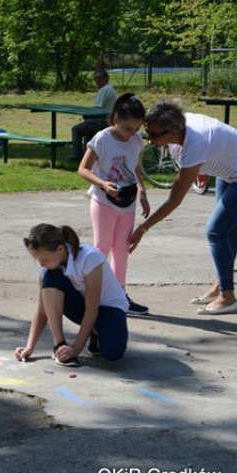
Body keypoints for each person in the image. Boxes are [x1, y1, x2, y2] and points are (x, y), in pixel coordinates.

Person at [130, 101, 237, 316]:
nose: (150, 139)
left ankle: (227, 297)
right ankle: (221, 285)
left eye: (154, 134)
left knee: (216, 231)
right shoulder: (179, 129)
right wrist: (203, 169)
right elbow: (214, 146)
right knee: (227, 230)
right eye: (148, 132)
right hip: (229, 171)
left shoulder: (195, 142)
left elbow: (174, 200)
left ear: (173, 131)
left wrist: (143, 228)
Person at [77, 93, 151, 316]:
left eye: (137, 128)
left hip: (127, 202)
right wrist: (102, 184)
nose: (132, 133)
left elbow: (134, 167)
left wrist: (142, 190)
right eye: (128, 128)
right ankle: (97, 295)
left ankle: (120, 295)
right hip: (104, 201)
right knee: (102, 247)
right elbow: (83, 169)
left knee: (122, 250)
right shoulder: (102, 139)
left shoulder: (135, 140)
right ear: (116, 119)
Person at [15, 223, 129, 367]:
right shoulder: (47, 268)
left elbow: (92, 308)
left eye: (44, 260)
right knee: (51, 276)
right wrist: (29, 347)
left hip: (108, 307)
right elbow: (42, 310)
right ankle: (59, 344)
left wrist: (76, 349)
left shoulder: (89, 257)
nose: (41, 264)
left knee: (113, 352)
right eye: (38, 261)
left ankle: (96, 332)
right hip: (81, 306)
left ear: (60, 249)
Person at [71, 69, 118, 161]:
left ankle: (77, 154)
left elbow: (97, 110)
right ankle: (87, 154)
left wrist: (87, 116)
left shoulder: (105, 89)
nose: (97, 81)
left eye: (100, 78)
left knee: (76, 129)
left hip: (103, 121)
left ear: (106, 78)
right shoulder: (108, 89)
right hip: (106, 120)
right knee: (87, 129)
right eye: (96, 79)